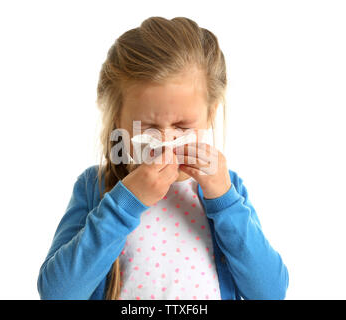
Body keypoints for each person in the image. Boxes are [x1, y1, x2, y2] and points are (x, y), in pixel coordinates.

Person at [37, 16, 289, 300]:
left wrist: (225, 200)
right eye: (149, 126)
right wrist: (125, 204)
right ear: (118, 120)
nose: (166, 140)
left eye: (182, 126)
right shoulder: (94, 186)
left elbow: (270, 292)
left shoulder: (227, 190)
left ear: (210, 115)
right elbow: (57, 293)